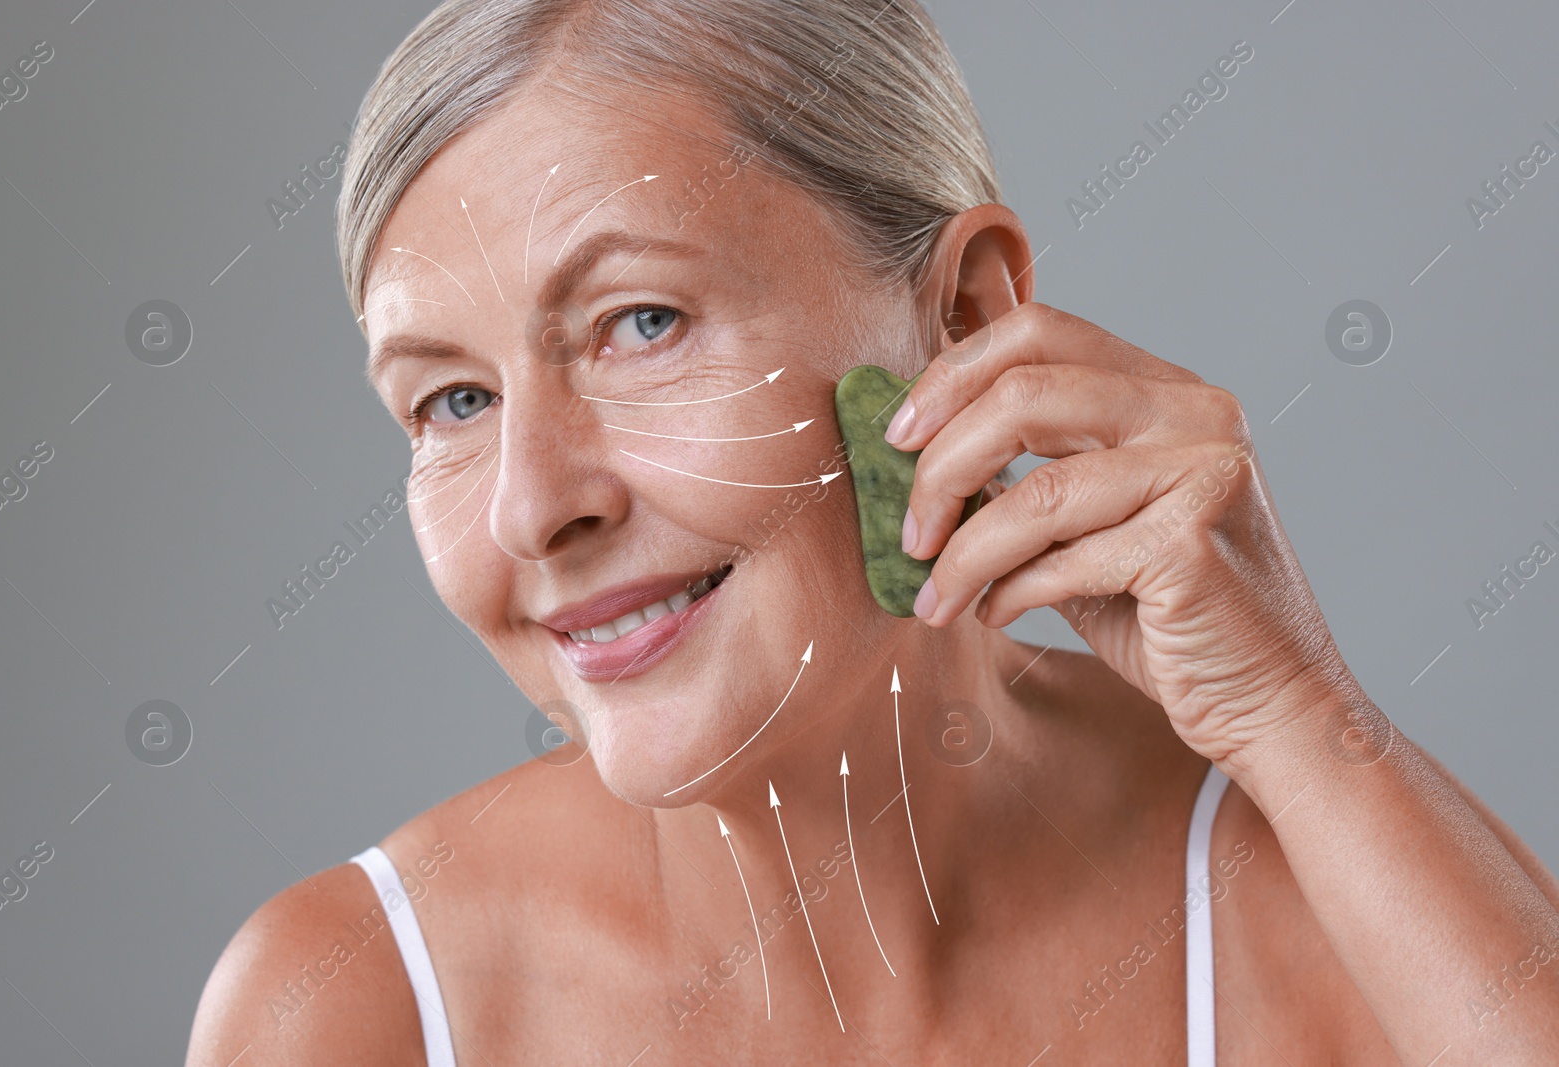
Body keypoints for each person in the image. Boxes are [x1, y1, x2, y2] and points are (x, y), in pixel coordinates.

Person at [185, 1, 1559, 1063]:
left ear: (961, 322)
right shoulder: (346, 1008)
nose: (535, 507)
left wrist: (1297, 720)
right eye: (455, 401)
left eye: (641, 324)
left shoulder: (1316, 906)